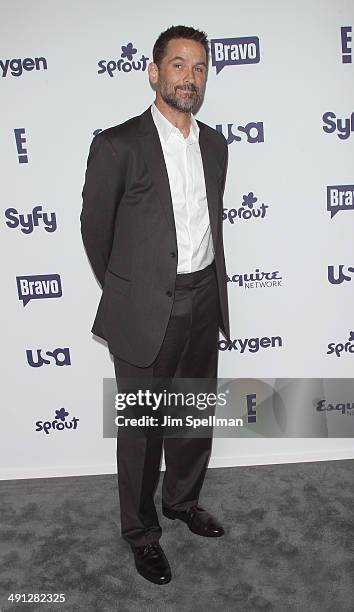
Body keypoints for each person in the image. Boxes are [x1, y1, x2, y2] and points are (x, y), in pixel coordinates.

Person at [80, 25, 231, 585]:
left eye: (199, 69)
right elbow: (96, 231)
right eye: (178, 65)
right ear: (154, 71)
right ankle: (142, 533)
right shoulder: (118, 144)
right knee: (143, 426)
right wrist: (131, 290)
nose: (189, 77)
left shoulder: (214, 144)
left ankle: (183, 502)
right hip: (147, 308)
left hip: (204, 297)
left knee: (192, 415)